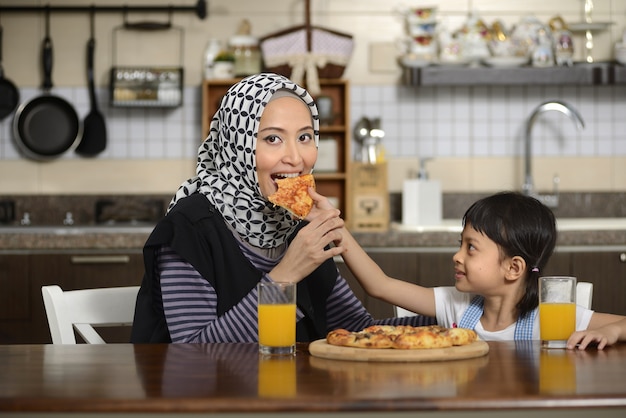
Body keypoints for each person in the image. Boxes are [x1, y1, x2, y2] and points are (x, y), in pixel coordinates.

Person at [130, 73, 434, 343]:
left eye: (305, 137)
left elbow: (358, 331)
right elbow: (193, 354)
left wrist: (462, 318)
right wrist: (286, 274)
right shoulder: (187, 228)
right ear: (238, 146)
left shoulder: (297, 224)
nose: (295, 158)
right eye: (272, 138)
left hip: (290, 395)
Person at [309, 190, 626, 343]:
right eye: (461, 244)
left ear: (513, 268)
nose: (457, 256)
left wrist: (610, 332)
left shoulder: (552, 317)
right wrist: (334, 226)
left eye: (471, 248)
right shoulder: (456, 306)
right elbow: (379, 285)